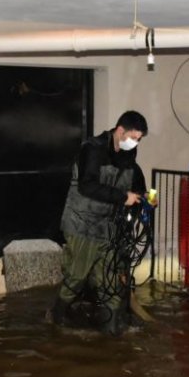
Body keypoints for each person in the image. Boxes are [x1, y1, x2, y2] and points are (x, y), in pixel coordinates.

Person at [53, 110, 148, 335]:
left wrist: (143, 198)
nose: (135, 143)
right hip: (82, 223)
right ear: (120, 130)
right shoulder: (93, 149)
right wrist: (123, 197)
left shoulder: (129, 157)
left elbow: (136, 183)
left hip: (109, 227)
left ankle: (112, 326)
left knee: (111, 278)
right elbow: (87, 186)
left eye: (139, 140)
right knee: (77, 274)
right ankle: (57, 316)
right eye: (133, 138)